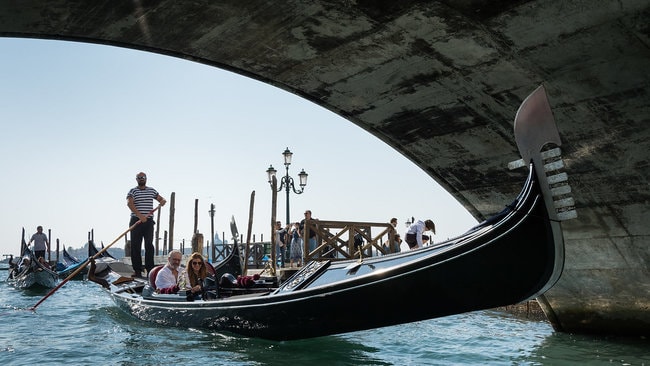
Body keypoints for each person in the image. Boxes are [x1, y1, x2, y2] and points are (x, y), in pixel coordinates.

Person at [127, 172, 167, 278]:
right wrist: (140, 216)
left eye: (143, 177)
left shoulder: (151, 190)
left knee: (149, 245)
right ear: (136, 179)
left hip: (148, 222)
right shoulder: (132, 191)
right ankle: (137, 270)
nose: (141, 179)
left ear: (146, 179)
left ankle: (150, 270)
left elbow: (161, 199)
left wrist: (162, 201)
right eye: (139, 178)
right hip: (136, 220)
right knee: (136, 246)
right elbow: (129, 203)